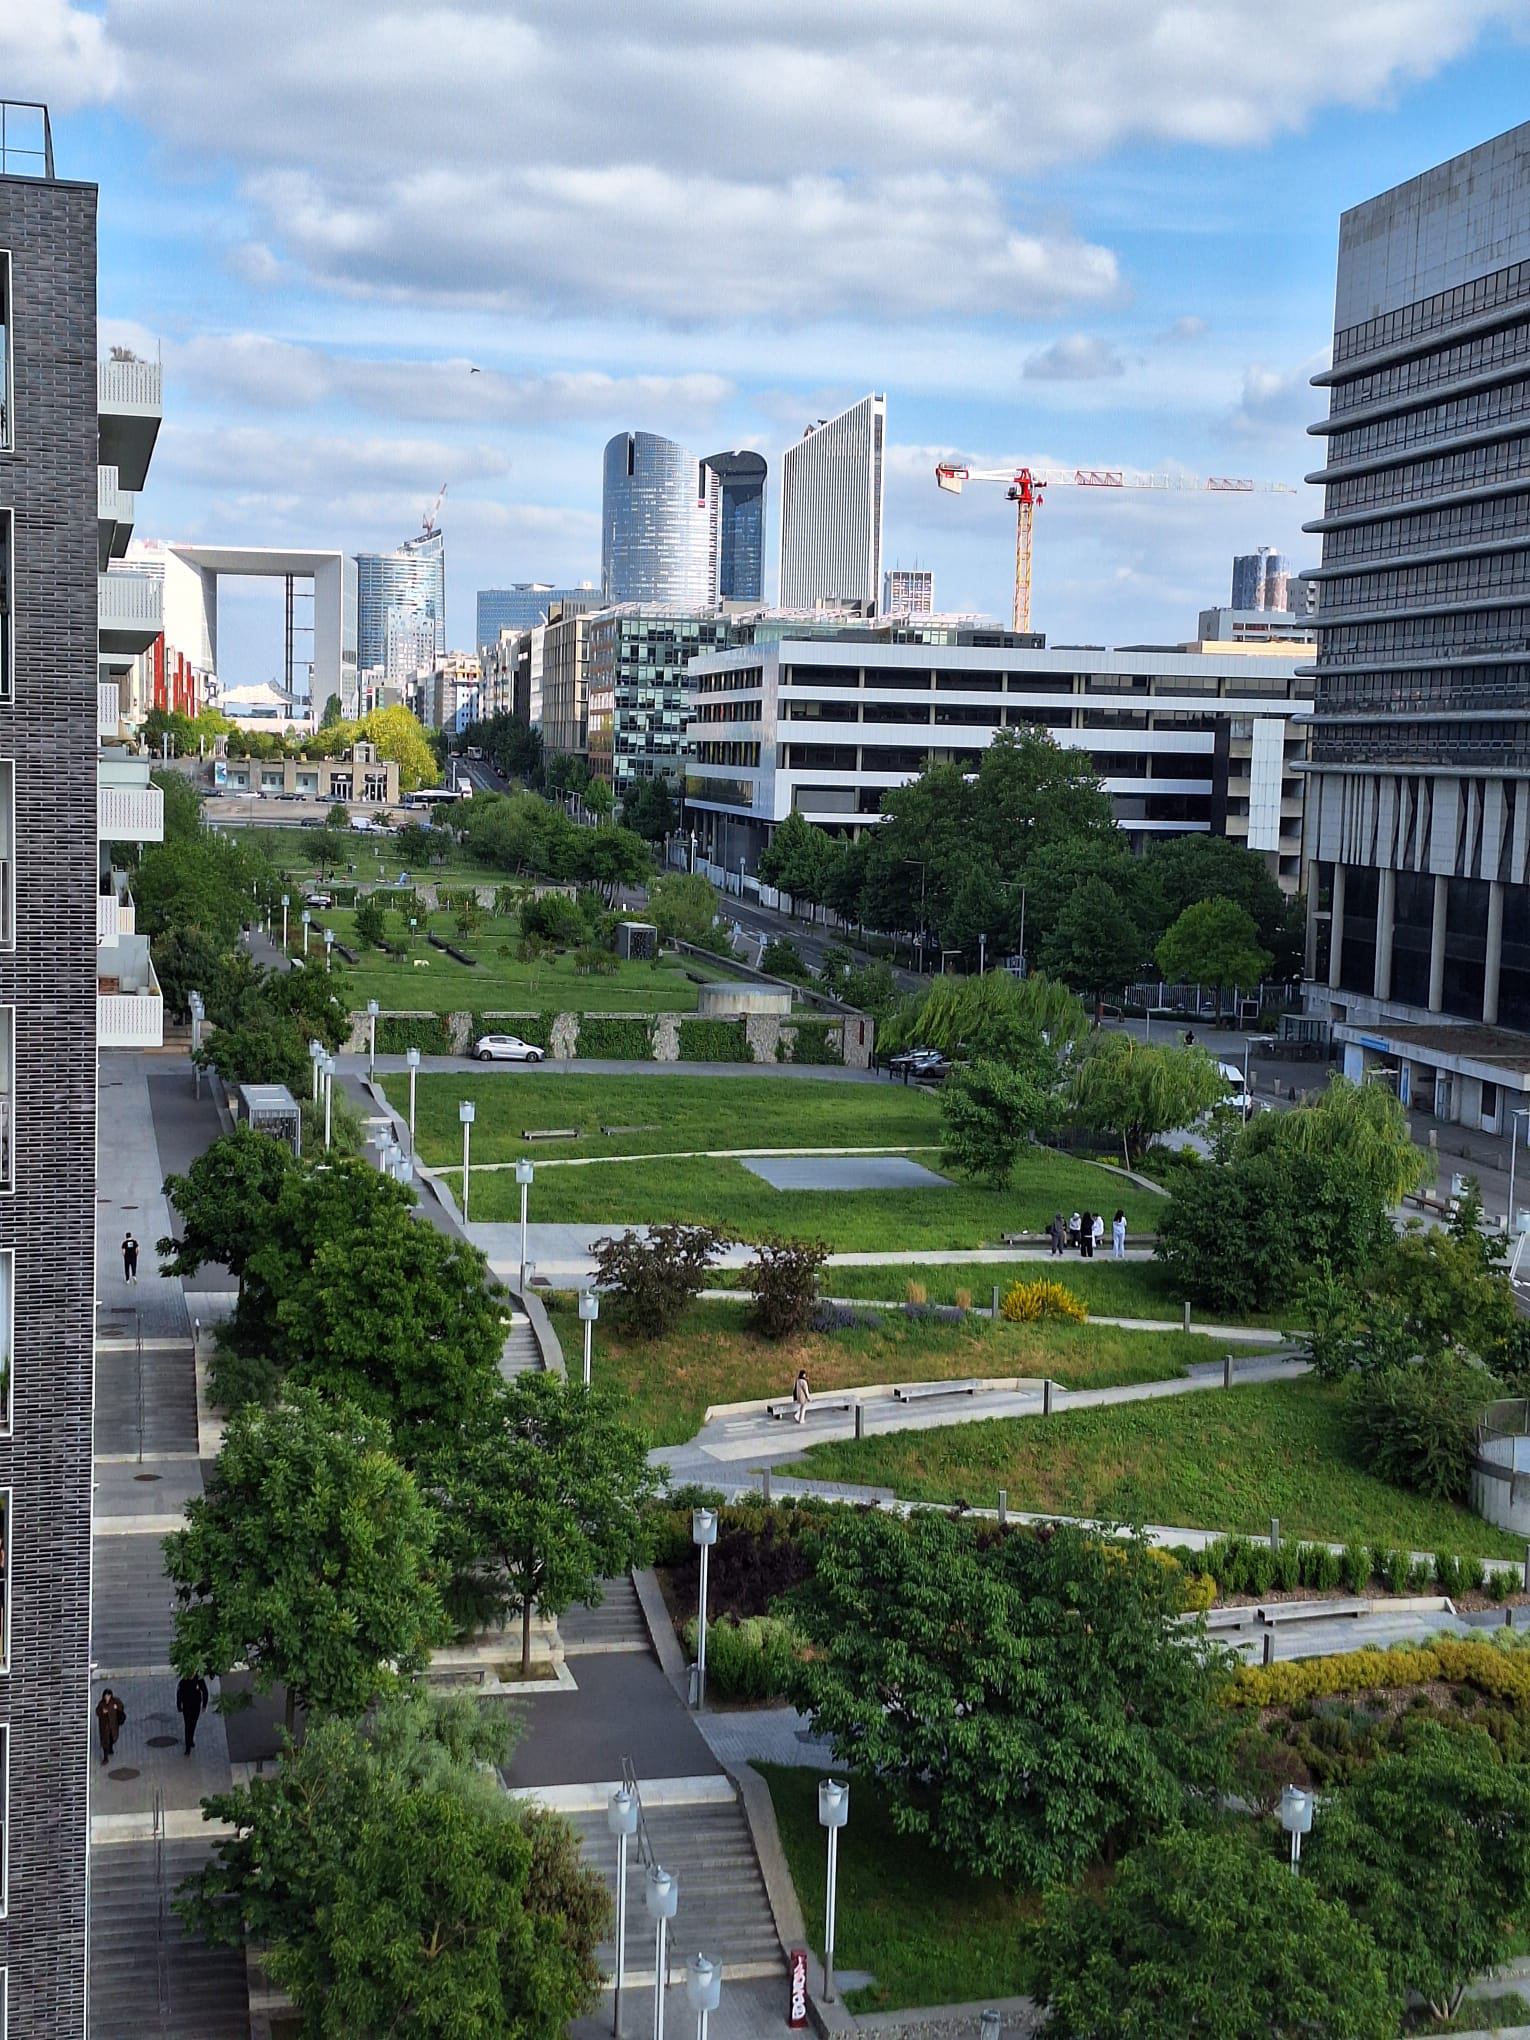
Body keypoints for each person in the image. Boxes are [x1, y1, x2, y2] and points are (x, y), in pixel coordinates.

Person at [176, 1673, 210, 1756]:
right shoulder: (184, 1681)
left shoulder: (199, 1679)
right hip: (187, 1706)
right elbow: (179, 1694)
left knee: (193, 1723)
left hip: (196, 1706)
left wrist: (204, 1705)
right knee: (187, 1725)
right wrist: (179, 1706)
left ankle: (190, 1740)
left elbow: (205, 1691)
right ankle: (188, 1747)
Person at [96, 1688, 126, 1766]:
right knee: (105, 1741)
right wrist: (102, 1712)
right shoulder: (101, 1704)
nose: (107, 1698)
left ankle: (110, 1748)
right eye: (106, 1696)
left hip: (113, 1726)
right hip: (104, 1727)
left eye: (108, 1696)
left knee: (112, 1738)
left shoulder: (115, 1702)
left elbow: (121, 1706)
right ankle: (105, 1757)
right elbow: (97, 1712)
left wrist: (117, 1707)